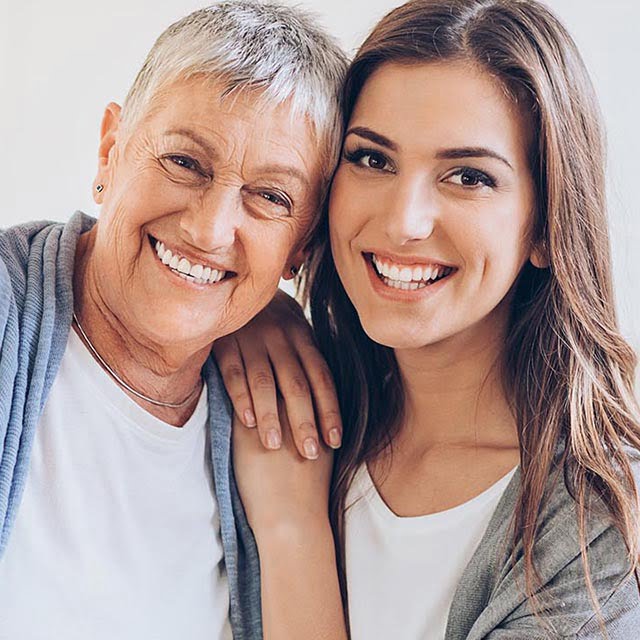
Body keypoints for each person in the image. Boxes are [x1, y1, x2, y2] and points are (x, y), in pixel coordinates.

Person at [214, 0, 640, 637]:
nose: (403, 221)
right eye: (372, 160)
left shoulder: (596, 523)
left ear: (546, 226)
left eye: (467, 176)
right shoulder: (278, 393)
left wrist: (292, 528)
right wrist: (246, 302)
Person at [0, 2, 349, 639]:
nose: (209, 229)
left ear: (301, 248)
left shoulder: (293, 421)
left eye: (270, 197)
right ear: (111, 150)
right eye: (185, 162)